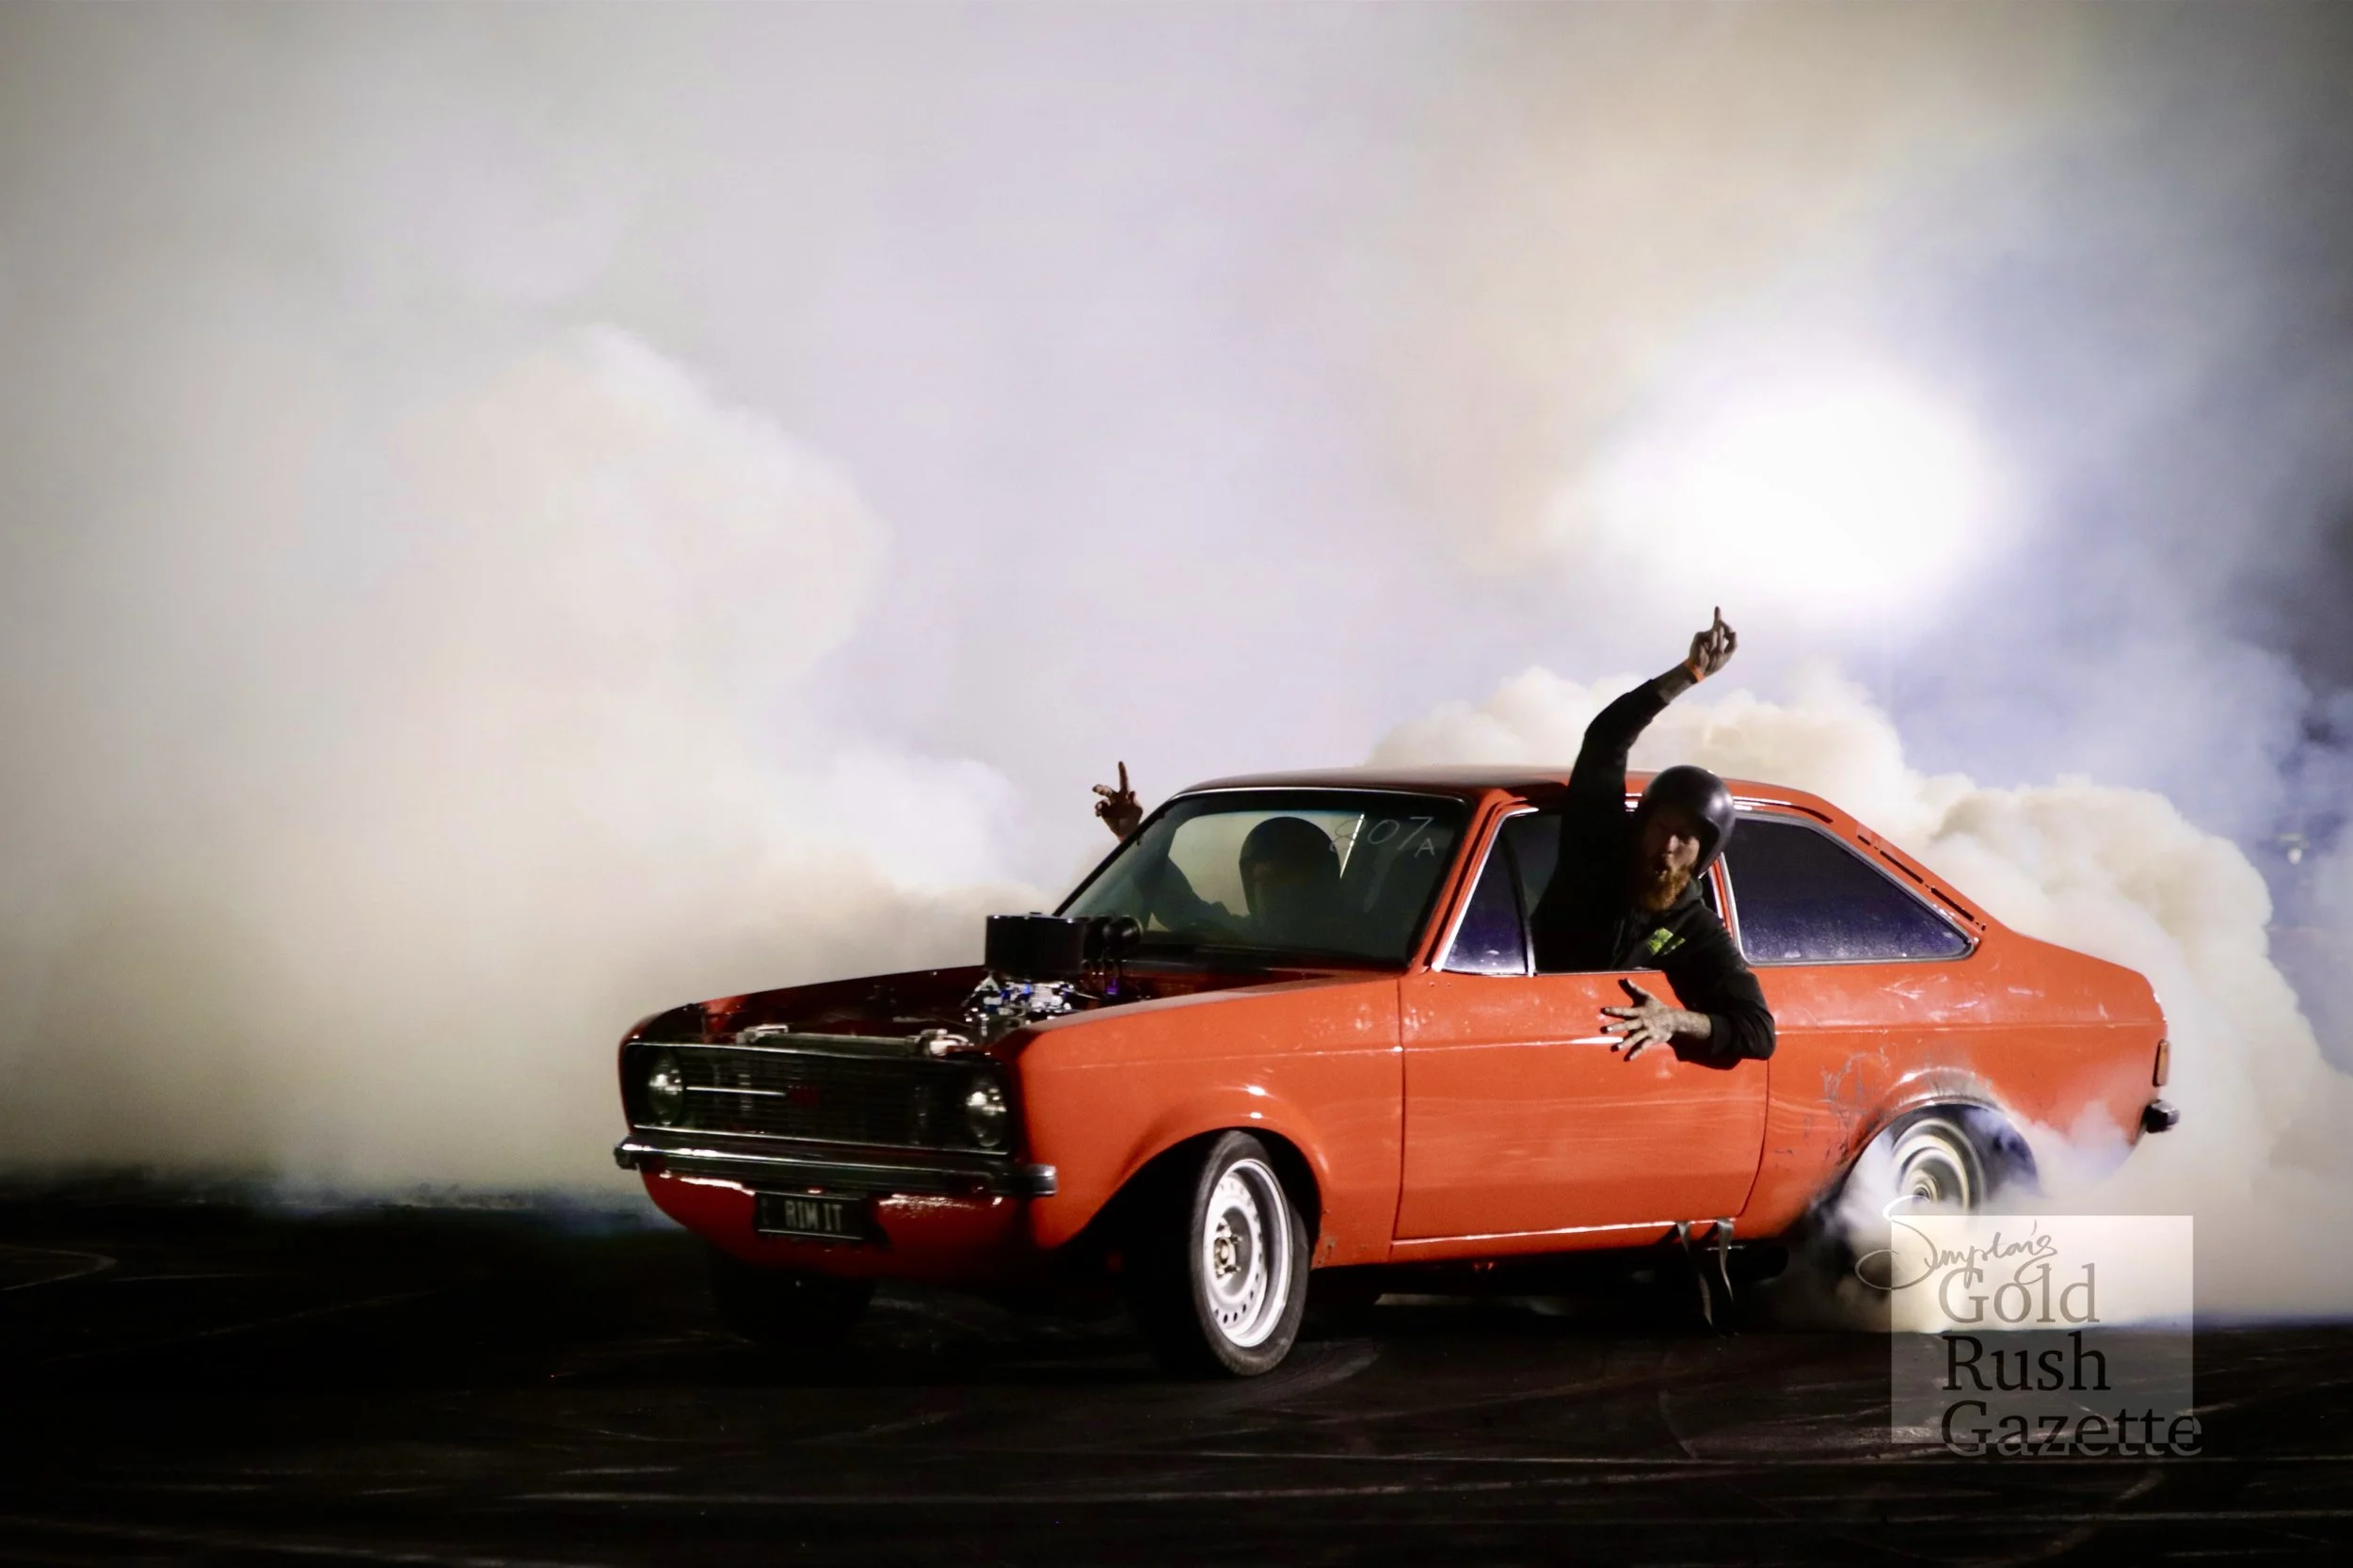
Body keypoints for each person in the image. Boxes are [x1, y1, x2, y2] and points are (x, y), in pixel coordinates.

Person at [1534, 609, 1775, 1067]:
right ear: (1643, 821)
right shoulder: (1596, 843)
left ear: (1703, 856)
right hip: (1529, 1023)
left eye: (1684, 838)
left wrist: (1674, 1021)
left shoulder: (1692, 926)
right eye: (1662, 827)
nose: (1666, 846)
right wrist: (1690, 673)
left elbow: (1758, 1032)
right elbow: (1607, 738)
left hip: (1601, 1066)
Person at [1089, 765, 1344, 947]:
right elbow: (1178, 905)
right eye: (1264, 880)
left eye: (1289, 877)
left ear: (1320, 880)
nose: (1276, 891)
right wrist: (1133, 836)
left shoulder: (1361, 944)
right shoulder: (1238, 937)